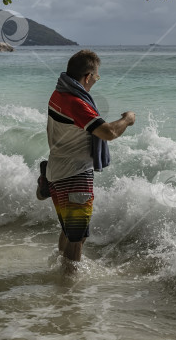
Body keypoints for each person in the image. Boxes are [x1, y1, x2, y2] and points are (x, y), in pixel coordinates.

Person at [36, 50, 136, 270]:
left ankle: (60, 273)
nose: (95, 82)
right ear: (87, 76)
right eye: (96, 78)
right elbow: (108, 132)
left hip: (56, 170)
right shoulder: (76, 103)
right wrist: (127, 119)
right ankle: (69, 293)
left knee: (69, 230)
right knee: (77, 238)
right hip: (74, 175)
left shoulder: (58, 94)